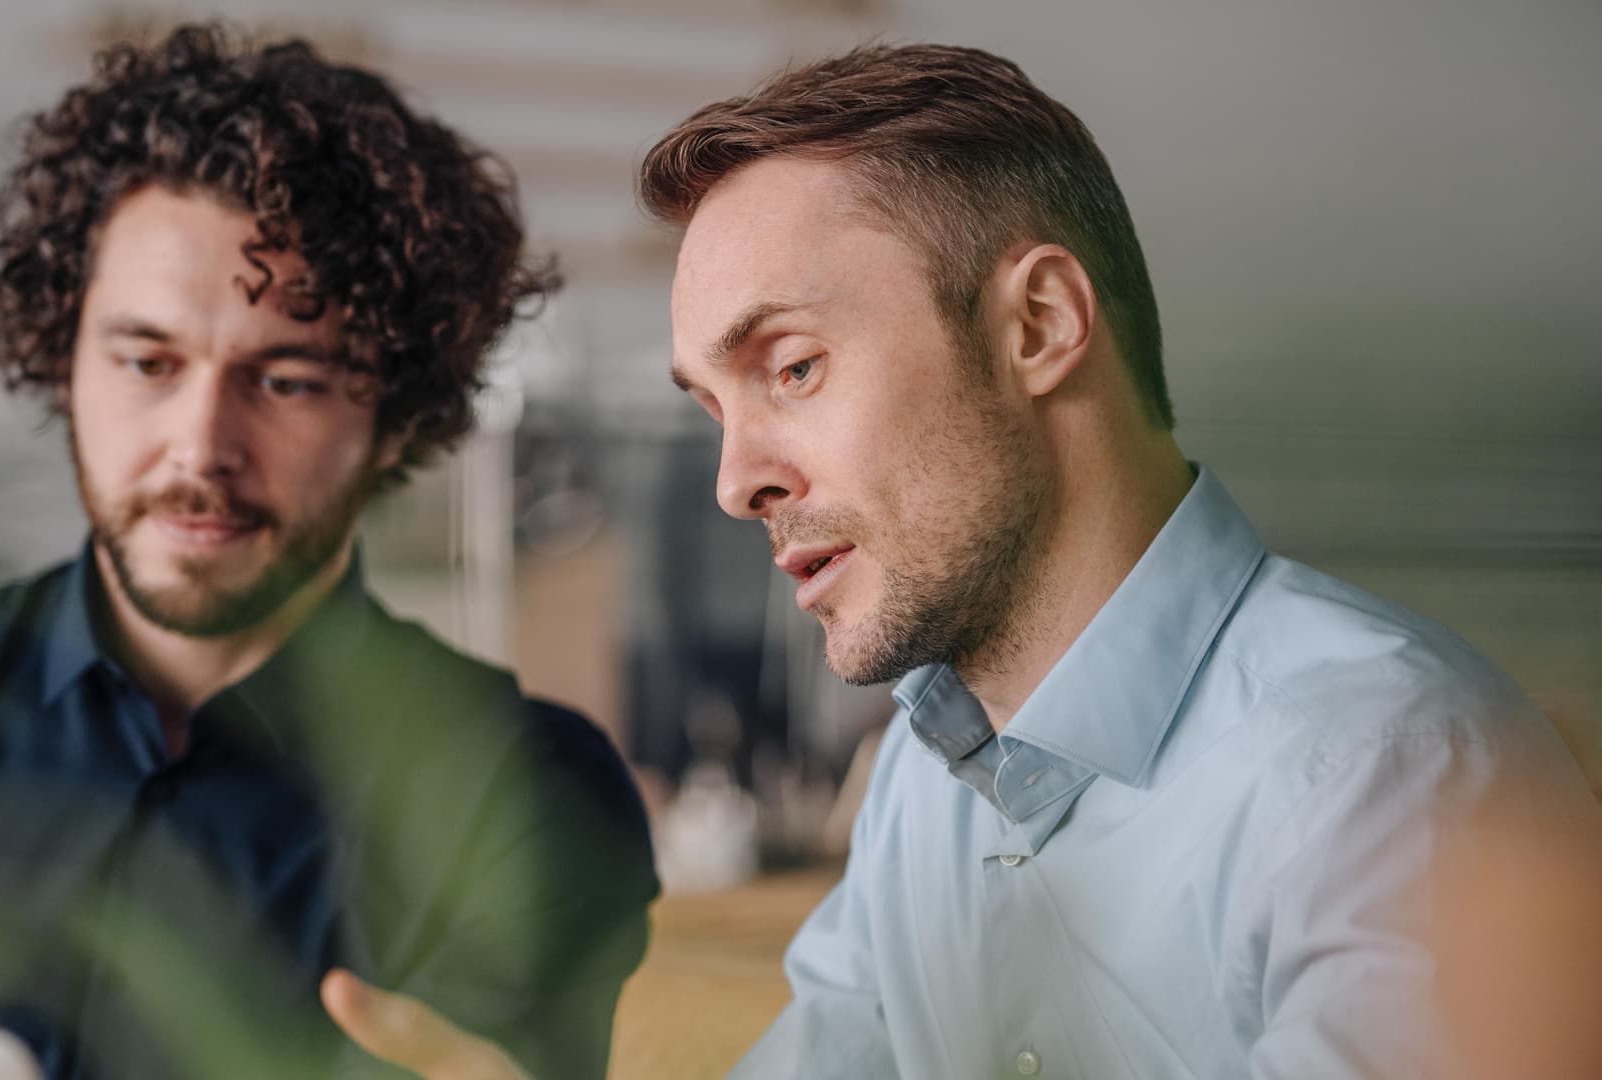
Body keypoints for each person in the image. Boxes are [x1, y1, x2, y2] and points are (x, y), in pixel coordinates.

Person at [315, 42, 1601, 1080]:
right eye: (717, 409)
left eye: (794, 368)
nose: (733, 480)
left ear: (1039, 325)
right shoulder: (924, 795)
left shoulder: (1392, 782)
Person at [0, 24, 657, 1080]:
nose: (201, 447)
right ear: (64, 361)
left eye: (286, 380)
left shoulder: (523, 797)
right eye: (149, 361)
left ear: (401, 419)